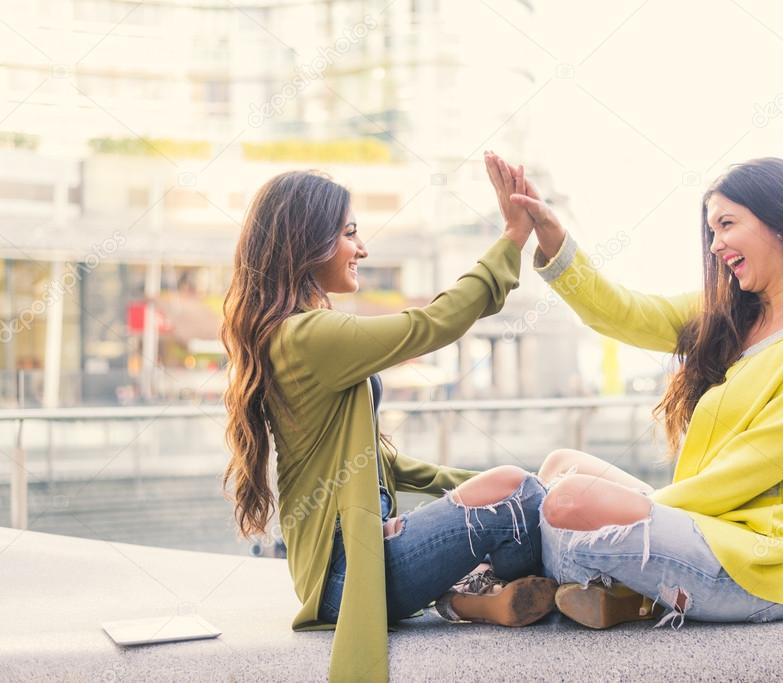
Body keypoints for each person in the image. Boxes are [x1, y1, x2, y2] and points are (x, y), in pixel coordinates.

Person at [220, 154, 555, 683]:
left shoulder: (294, 335)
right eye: (350, 233)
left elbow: (379, 466)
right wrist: (513, 237)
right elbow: (434, 324)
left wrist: (473, 485)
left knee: (533, 484)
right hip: (351, 577)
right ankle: (515, 589)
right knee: (525, 502)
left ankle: (470, 600)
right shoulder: (308, 336)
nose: (362, 248)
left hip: (357, 561)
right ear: (307, 243)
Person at [497, 154, 783, 628]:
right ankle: (620, 591)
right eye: (711, 231)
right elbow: (621, 312)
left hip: (757, 562)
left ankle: (545, 584)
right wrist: (550, 234)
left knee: (569, 500)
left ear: (779, 222)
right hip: (699, 522)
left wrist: (639, 514)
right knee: (560, 467)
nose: (715, 245)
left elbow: (753, 468)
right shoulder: (727, 315)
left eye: (727, 224)